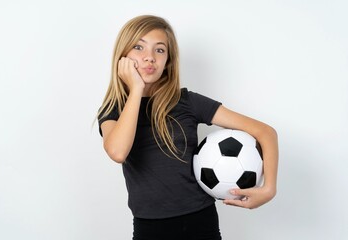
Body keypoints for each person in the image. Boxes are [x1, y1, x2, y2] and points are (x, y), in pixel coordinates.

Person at [97, 15, 278, 240]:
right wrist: (135, 89)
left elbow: (265, 132)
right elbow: (117, 152)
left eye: (159, 50)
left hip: (199, 222)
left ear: (168, 61)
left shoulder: (186, 101)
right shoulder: (113, 110)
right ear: (122, 55)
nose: (149, 58)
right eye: (138, 47)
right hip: (149, 228)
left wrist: (268, 189)